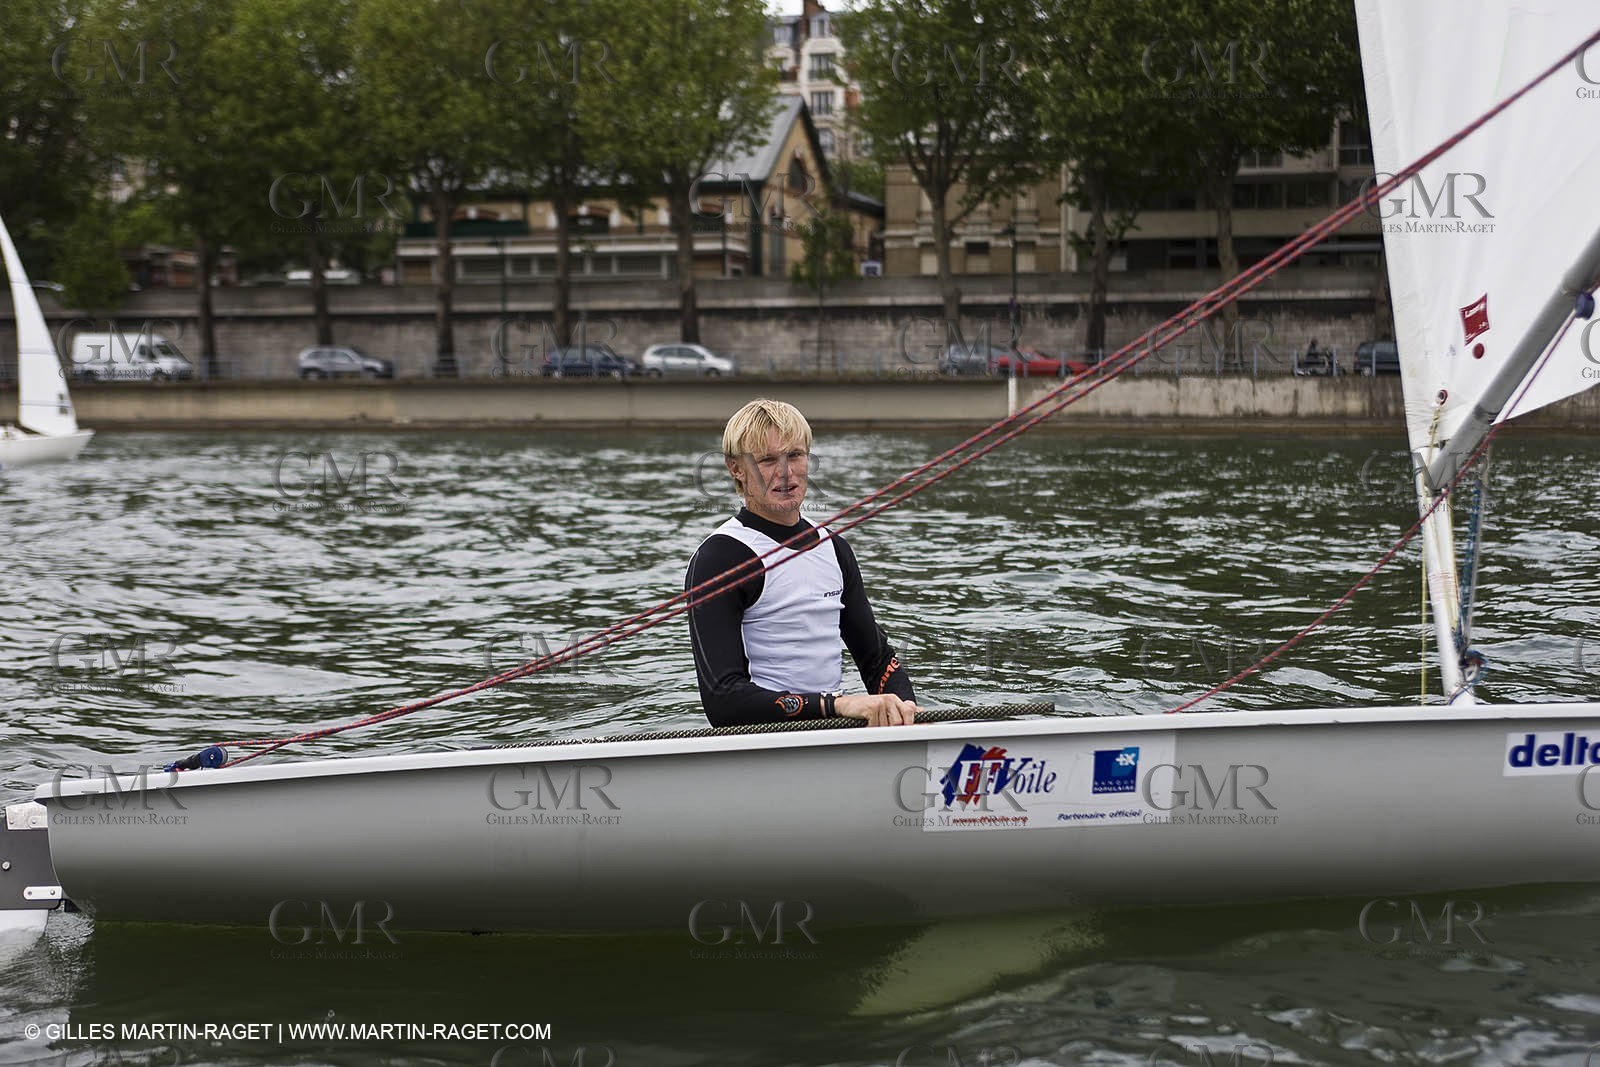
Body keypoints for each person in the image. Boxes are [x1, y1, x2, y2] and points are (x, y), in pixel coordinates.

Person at [686, 398, 921, 729]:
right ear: (736, 468)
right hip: (759, 743)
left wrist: (905, 708)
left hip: (828, 730)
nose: (786, 473)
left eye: (795, 455)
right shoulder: (720, 558)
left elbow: (877, 660)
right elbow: (723, 701)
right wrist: (837, 705)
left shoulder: (834, 549)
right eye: (767, 460)